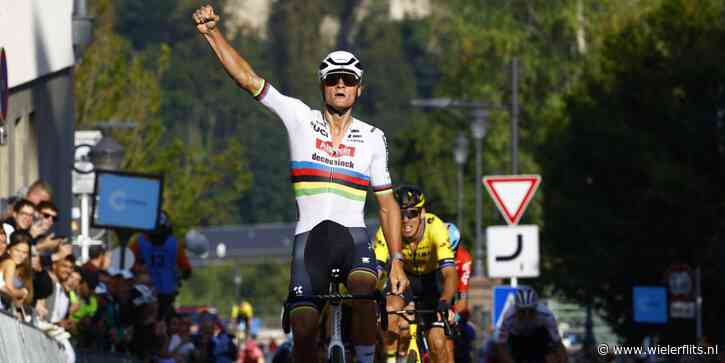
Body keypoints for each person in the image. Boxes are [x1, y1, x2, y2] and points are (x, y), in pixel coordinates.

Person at [193, 5, 408, 363]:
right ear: (322, 85)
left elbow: (387, 205)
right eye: (333, 79)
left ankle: (369, 357)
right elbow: (247, 79)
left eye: (349, 80)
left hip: (352, 237)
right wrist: (213, 34)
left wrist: (397, 260)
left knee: (363, 288)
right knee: (304, 329)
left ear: (359, 89)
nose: (341, 85)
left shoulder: (373, 137)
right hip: (310, 240)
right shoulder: (299, 118)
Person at [374, 185, 458, 363]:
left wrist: (445, 301)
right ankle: (392, 358)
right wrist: (374, 294)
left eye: (412, 213)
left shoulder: (436, 227)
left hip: (431, 282)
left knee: (437, 344)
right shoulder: (386, 230)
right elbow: (378, 269)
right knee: (388, 312)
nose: (405, 220)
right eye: (400, 214)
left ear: (422, 213)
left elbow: (449, 273)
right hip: (405, 279)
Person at [130, 211, 191, 320]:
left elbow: (127, 262)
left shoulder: (140, 242)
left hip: (147, 291)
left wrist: (140, 269)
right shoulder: (174, 244)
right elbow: (186, 269)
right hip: (161, 292)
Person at [494, 287, 568, 363]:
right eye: (522, 312)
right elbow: (501, 345)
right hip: (516, 339)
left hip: (538, 337)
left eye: (531, 311)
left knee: (551, 354)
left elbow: (557, 343)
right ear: (516, 309)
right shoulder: (509, 317)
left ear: (536, 307)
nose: (527, 316)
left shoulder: (546, 315)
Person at [446, 222, 473, 362]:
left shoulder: (464, 259)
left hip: (452, 304)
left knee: (466, 334)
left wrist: (455, 317)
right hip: (431, 298)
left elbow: (463, 298)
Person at [0, 230, 32, 312]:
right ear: (9, 249)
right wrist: (22, 292)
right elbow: (9, 290)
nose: (21, 255)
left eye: (24, 252)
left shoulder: (20, 268)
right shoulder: (10, 263)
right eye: (17, 250)